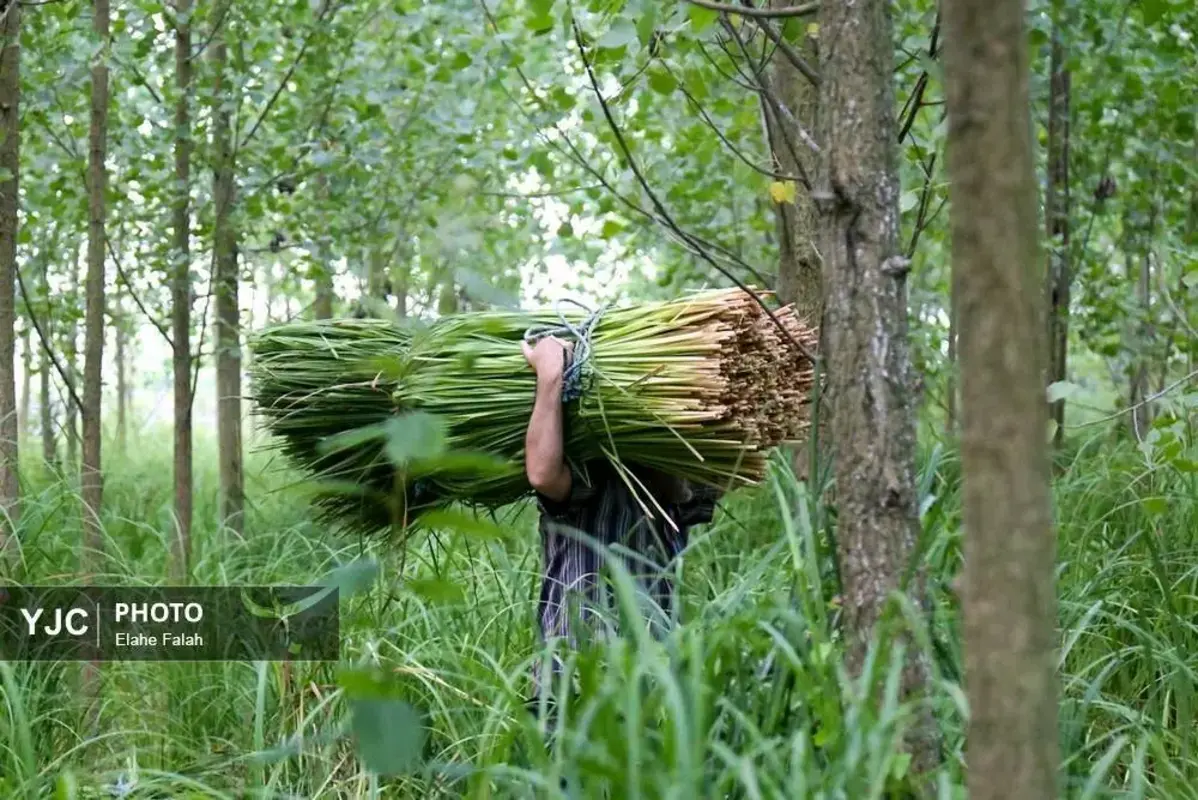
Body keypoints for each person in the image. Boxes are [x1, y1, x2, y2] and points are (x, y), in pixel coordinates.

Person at [521, 335, 723, 701]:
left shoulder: (678, 497)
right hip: (571, 682)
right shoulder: (594, 477)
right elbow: (542, 474)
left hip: (650, 687)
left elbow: (718, 473)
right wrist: (550, 377)